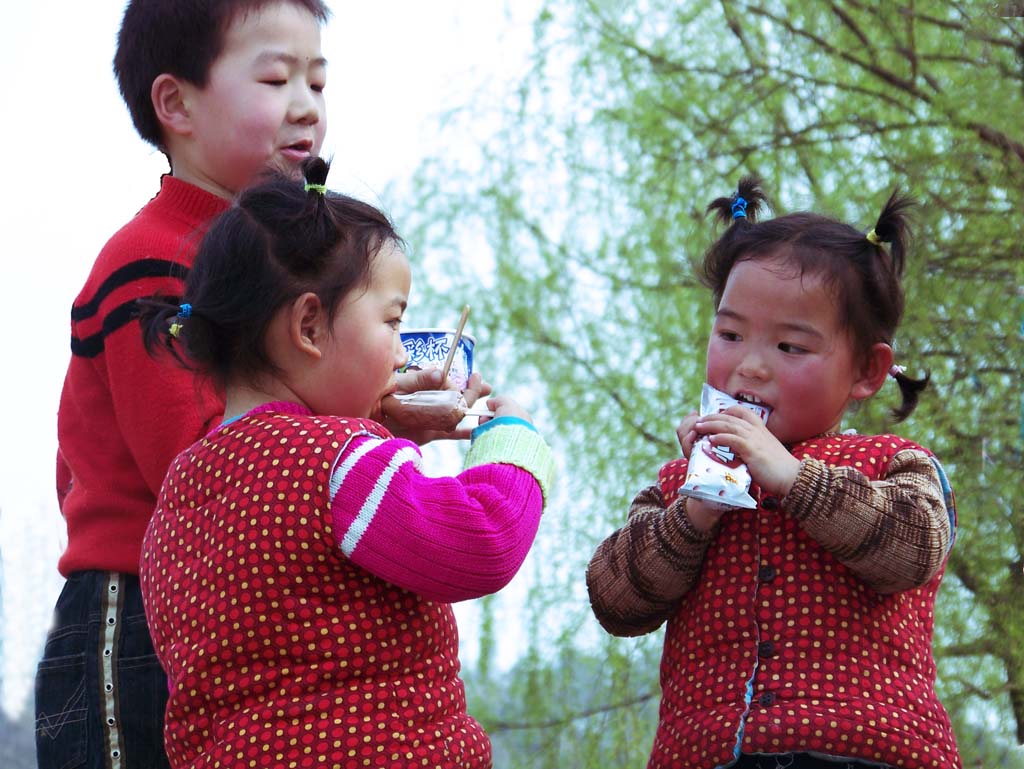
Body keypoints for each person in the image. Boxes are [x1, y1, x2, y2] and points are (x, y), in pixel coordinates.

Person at [37, 3, 479, 767]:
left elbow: (268, 442)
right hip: (134, 613)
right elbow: (217, 461)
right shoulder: (153, 256)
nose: (306, 104)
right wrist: (371, 422)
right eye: (276, 78)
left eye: (317, 78)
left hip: (215, 617)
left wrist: (382, 412)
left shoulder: (259, 269)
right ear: (175, 104)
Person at [134, 156, 554, 769]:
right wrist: (509, 441)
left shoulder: (183, 492)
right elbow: (482, 541)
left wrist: (380, 429)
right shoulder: (340, 463)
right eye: (393, 320)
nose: (403, 348)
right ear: (309, 325)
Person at [586, 178, 960, 769]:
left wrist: (792, 477)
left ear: (867, 370)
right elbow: (617, 601)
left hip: (868, 753)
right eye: (730, 335)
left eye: (790, 347)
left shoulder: (894, 463)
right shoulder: (676, 484)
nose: (750, 366)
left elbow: (913, 549)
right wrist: (696, 506)